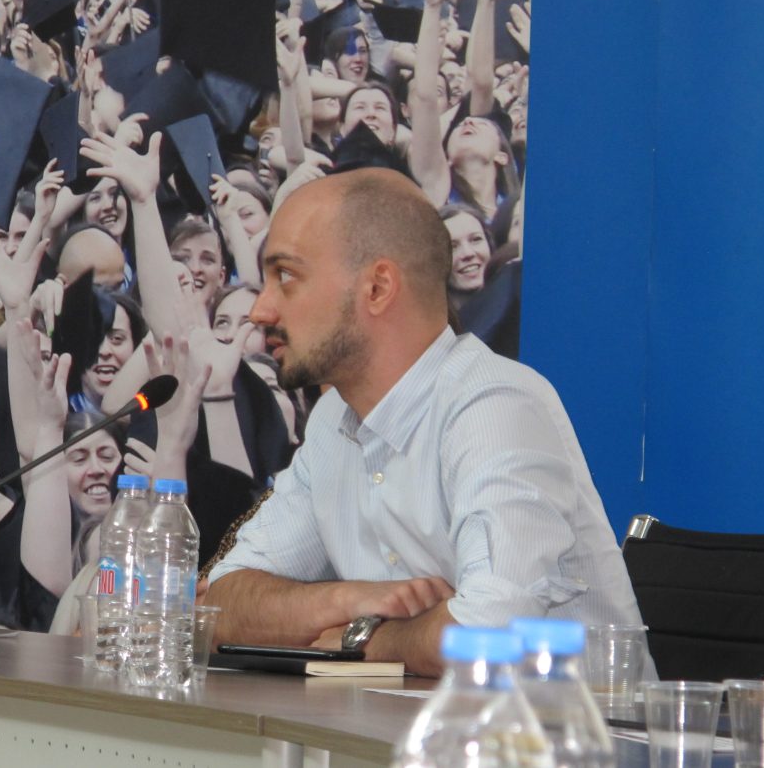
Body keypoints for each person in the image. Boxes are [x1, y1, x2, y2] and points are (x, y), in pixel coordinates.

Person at [205, 168, 640, 677]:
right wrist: (350, 599)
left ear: (377, 288)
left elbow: (492, 635)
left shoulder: (494, 404)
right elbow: (220, 607)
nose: (261, 310)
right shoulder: (331, 422)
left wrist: (364, 637)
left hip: (562, 726)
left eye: (286, 276)